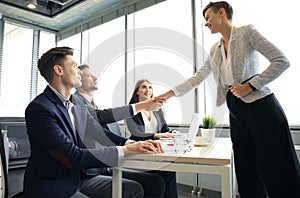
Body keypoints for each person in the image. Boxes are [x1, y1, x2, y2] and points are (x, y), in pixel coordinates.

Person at [157, 1, 300, 197]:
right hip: (236, 108)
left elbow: (282, 61)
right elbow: (199, 76)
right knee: (245, 167)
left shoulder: (247, 33)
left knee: (277, 166)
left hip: (261, 106)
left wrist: (250, 86)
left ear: (221, 12)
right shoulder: (215, 49)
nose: (206, 23)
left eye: (208, 18)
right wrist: (170, 93)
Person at [23, 46, 164, 198]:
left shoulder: (75, 105)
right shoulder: (40, 109)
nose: (79, 71)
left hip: (78, 176)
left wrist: (129, 144)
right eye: (75, 66)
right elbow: (72, 156)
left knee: (152, 184)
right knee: (133, 190)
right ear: (59, 70)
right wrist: (127, 150)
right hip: (55, 185)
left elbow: (100, 132)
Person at [74, 64, 176, 198]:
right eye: (88, 75)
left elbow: (104, 135)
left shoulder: (95, 105)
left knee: (158, 181)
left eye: (150, 87)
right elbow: (102, 117)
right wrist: (144, 105)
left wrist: (128, 143)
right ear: (78, 80)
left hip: (107, 163)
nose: (95, 77)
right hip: (92, 170)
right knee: (139, 188)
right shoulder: (75, 102)